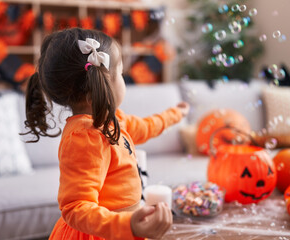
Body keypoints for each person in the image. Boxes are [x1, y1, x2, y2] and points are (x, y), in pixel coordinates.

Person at [22, 28, 190, 240]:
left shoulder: (113, 120)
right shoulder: (85, 137)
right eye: (119, 74)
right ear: (100, 84)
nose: (123, 80)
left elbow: (147, 126)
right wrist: (129, 225)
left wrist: (176, 113)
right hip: (101, 233)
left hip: (122, 229)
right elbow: (76, 207)